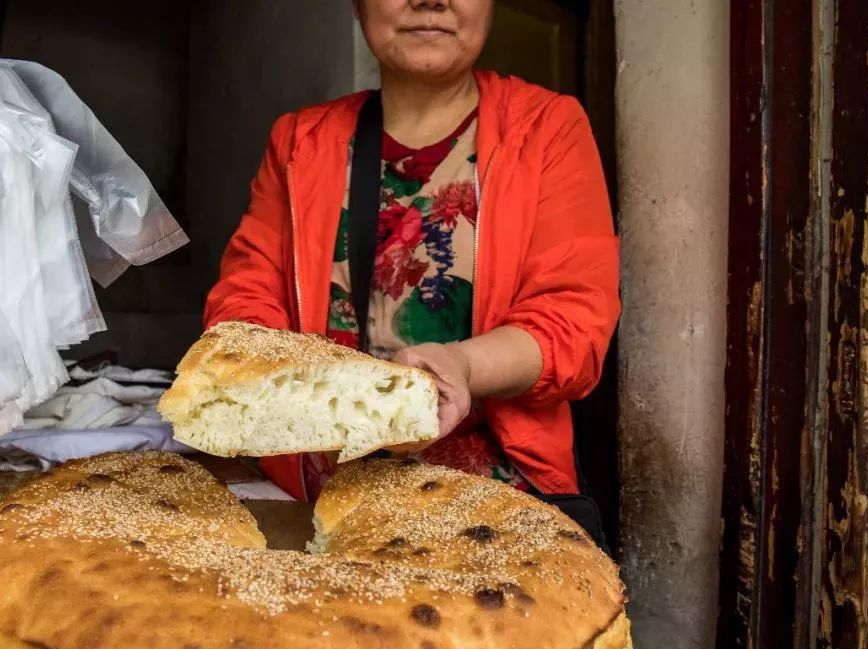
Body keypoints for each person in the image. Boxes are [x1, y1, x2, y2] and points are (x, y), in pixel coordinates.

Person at [204, 0, 619, 546]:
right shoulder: (302, 141)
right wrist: (300, 386)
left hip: (492, 499)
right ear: (358, 7)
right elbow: (244, 304)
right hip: (316, 496)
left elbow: (572, 327)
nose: (432, 1)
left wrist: (461, 367)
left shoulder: (544, 130)